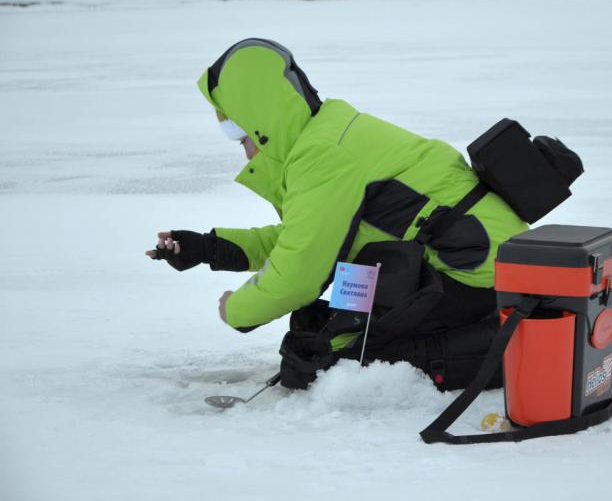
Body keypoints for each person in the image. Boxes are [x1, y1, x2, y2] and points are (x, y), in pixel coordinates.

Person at [147, 38, 530, 390]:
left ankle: (510, 349)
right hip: (472, 263)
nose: (239, 145)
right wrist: (210, 249)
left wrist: (238, 310)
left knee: (330, 364)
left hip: (474, 274)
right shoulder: (327, 136)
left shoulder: (322, 156)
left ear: (262, 122)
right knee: (320, 337)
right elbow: (304, 240)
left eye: (235, 129)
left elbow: (300, 272)